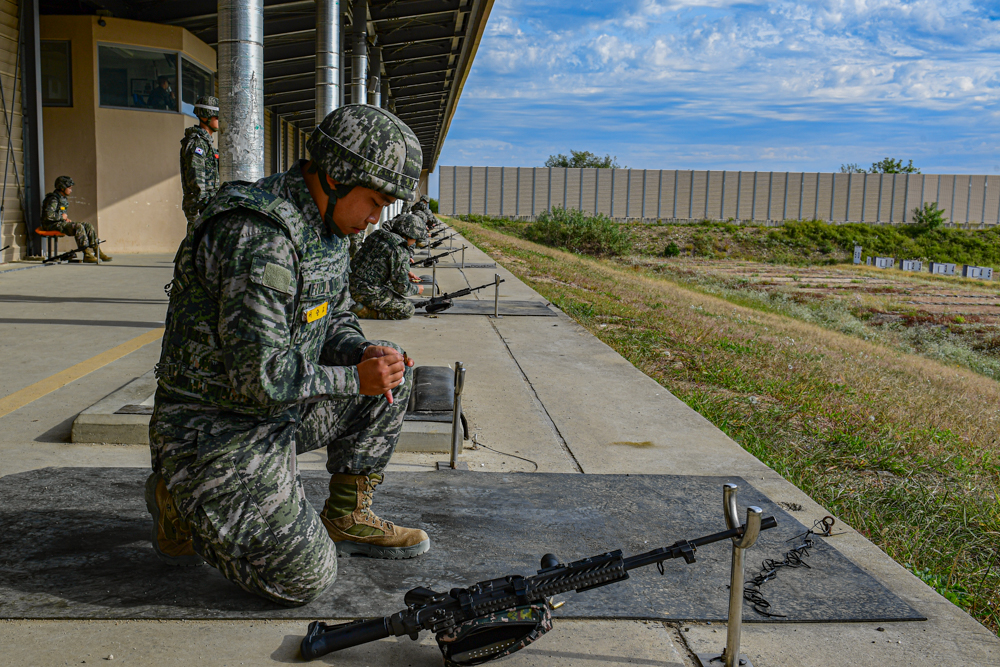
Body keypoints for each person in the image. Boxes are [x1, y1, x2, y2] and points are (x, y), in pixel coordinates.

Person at [146, 104, 428, 607]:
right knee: (306, 578)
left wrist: (365, 353)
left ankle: (345, 514)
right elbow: (260, 377)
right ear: (338, 176)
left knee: (394, 371)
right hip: (216, 429)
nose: (375, 218)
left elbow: (335, 316)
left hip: (278, 413)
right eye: (375, 200)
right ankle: (183, 498)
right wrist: (354, 381)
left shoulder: (328, 228)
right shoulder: (259, 236)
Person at [350, 213, 427, 320]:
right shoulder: (400, 249)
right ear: (409, 235)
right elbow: (402, 288)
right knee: (408, 309)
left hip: (350, 283)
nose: (415, 242)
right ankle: (365, 311)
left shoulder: (377, 235)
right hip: (364, 291)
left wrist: (405, 271)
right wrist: (416, 289)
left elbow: (377, 264)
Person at [39, 176, 111, 263]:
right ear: (62, 188)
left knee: (88, 225)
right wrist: (62, 217)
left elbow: (59, 214)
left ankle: (97, 251)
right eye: (69, 188)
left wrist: (65, 219)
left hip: (59, 223)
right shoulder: (53, 199)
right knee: (78, 226)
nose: (71, 190)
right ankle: (87, 254)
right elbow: (48, 216)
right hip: (50, 225)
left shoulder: (62, 198)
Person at [179, 96, 221, 230]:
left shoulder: (206, 143)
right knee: (195, 245)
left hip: (207, 204)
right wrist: (204, 202)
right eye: (217, 117)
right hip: (200, 206)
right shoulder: (198, 143)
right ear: (205, 117)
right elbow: (196, 175)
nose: (220, 121)